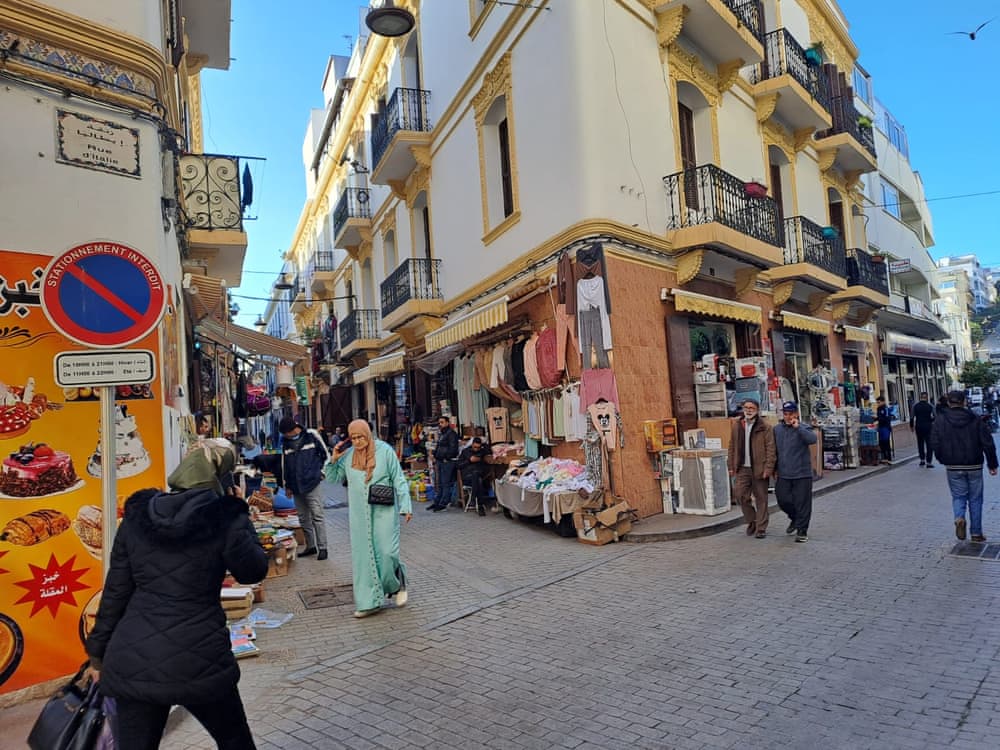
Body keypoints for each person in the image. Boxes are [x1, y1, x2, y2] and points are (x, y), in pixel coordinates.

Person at [86, 439, 267, 749]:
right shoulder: (224, 517)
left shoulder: (137, 518)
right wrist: (239, 514)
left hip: (134, 657)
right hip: (200, 658)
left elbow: (116, 591)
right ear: (219, 478)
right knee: (235, 741)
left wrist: (98, 657)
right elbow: (252, 570)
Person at [324, 419, 412, 618]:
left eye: (360, 437)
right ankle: (368, 602)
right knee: (364, 558)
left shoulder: (385, 451)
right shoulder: (348, 457)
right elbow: (332, 478)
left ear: (367, 434)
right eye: (353, 438)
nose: (356, 442)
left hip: (384, 511)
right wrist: (334, 459)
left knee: (387, 553)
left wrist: (406, 504)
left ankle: (397, 584)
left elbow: (398, 478)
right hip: (359, 515)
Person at [931, 390, 999, 543]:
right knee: (975, 499)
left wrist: (942, 458)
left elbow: (934, 442)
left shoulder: (940, 420)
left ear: (949, 402)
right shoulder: (975, 419)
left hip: (953, 465)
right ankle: (976, 533)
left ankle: (959, 517)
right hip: (974, 464)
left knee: (958, 496)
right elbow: (987, 442)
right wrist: (992, 464)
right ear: (964, 402)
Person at [278, 416, 330, 560]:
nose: (285, 436)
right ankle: (311, 545)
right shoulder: (286, 444)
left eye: (285, 433)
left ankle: (323, 547)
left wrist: (322, 473)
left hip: (312, 483)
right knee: (303, 518)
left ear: (292, 430)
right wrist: (287, 485)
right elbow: (285, 466)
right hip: (296, 486)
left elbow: (326, 455)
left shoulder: (311, 436)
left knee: (317, 515)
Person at [727, 398, 776, 539]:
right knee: (740, 495)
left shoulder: (765, 427)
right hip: (742, 468)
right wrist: (731, 465)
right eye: (746, 407)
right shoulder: (737, 425)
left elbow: (771, 449)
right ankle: (752, 520)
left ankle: (761, 528)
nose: (748, 410)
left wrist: (769, 468)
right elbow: (732, 446)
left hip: (760, 468)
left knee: (761, 499)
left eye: (751, 408)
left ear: (757, 410)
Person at [773, 401, 817, 543]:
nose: (788, 416)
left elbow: (812, 439)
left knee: (802, 503)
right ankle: (795, 518)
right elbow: (773, 450)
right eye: (785, 413)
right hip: (784, 473)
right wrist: (774, 468)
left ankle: (802, 531)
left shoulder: (804, 427)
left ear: (796, 414)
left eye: (791, 413)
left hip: (802, 473)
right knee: (783, 500)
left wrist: (798, 428)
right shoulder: (777, 429)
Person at [427, 416, 459, 512]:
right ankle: (438, 501)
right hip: (440, 461)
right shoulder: (442, 434)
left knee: (445, 483)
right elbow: (439, 446)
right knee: (440, 483)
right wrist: (434, 455)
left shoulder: (452, 434)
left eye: (442, 422)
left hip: (447, 461)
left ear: (447, 423)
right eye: (439, 423)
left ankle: (444, 503)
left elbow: (453, 449)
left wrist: (446, 457)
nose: (440, 424)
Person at [458, 436, 494, 516]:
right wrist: (469, 461)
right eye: (475, 447)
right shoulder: (465, 451)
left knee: (478, 477)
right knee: (477, 478)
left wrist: (484, 447)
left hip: (479, 476)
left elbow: (489, 452)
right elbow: (458, 465)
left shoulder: (482, 451)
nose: (476, 449)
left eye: (478, 447)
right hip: (468, 476)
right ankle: (480, 505)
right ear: (472, 444)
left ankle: (473, 499)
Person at [909, 391, 936, 468]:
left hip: (919, 426)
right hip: (928, 427)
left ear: (920, 397)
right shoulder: (930, 406)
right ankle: (929, 462)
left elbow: (911, 417)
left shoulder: (915, 406)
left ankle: (922, 460)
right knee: (929, 444)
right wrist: (931, 420)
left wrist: (911, 426)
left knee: (920, 443)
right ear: (927, 397)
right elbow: (935, 416)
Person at [875, 396, 893, 464]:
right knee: (881, 443)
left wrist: (877, 418)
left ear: (883, 401)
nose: (878, 403)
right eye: (877, 402)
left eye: (879, 402)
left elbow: (886, 418)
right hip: (881, 427)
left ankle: (889, 458)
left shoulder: (885, 408)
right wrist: (876, 419)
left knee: (886, 443)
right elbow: (880, 418)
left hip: (885, 427)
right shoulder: (879, 408)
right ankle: (884, 458)